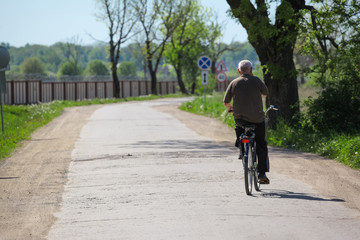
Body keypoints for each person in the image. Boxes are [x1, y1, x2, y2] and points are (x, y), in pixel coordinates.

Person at [223, 60, 270, 183]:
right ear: (251, 70)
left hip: (240, 120)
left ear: (239, 71)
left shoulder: (234, 82)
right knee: (261, 144)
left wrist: (230, 109)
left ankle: (241, 148)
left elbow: (226, 102)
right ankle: (262, 174)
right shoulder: (257, 81)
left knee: (239, 130)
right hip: (257, 119)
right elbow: (265, 94)